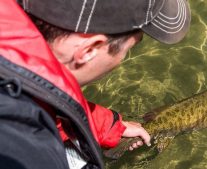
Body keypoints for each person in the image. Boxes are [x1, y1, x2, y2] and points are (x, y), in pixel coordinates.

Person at [0, 0, 191, 169]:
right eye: (130, 48)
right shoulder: (27, 155)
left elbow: (43, 96)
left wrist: (109, 127)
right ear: (89, 50)